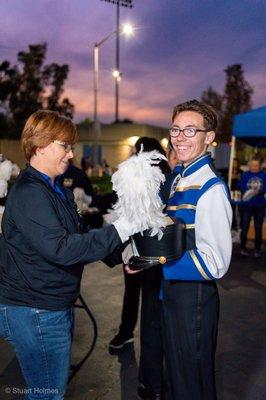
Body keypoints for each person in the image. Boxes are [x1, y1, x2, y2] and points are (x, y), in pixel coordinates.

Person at [0, 110, 140, 400]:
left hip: (47, 304)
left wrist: (120, 255)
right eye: (65, 145)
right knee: (47, 393)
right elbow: (62, 248)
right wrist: (121, 229)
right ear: (40, 146)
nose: (71, 153)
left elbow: (78, 233)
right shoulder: (31, 193)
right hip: (37, 309)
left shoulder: (54, 188)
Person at [127, 100, 232, 400]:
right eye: (176, 129)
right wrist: (146, 256)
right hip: (173, 295)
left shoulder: (210, 187)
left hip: (194, 300)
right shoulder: (181, 178)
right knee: (176, 381)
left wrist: (158, 263)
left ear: (209, 137)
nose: (180, 137)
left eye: (190, 130)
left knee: (191, 386)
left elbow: (216, 263)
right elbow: (173, 239)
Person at [109, 136, 171, 400]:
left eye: (138, 151)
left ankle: (153, 377)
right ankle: (127, 334)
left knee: (151, 309)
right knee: (137, 296)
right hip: (137, 247)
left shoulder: (163, 174)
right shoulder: (136, 173)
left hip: (154, 251)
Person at [239, 157, 266, 257]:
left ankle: (258, 249)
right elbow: (241, 187)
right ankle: (242, 248)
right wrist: (251, 192)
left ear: (260, 166)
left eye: (256, 165)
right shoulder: (245, 175)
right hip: (246, 206)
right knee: (244, 227)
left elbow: (264, 188)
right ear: (249, 166)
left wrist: (256, 191)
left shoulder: (264, 175)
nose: (254, 167)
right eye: (252, 165)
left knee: (258, 228)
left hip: (260, 206)